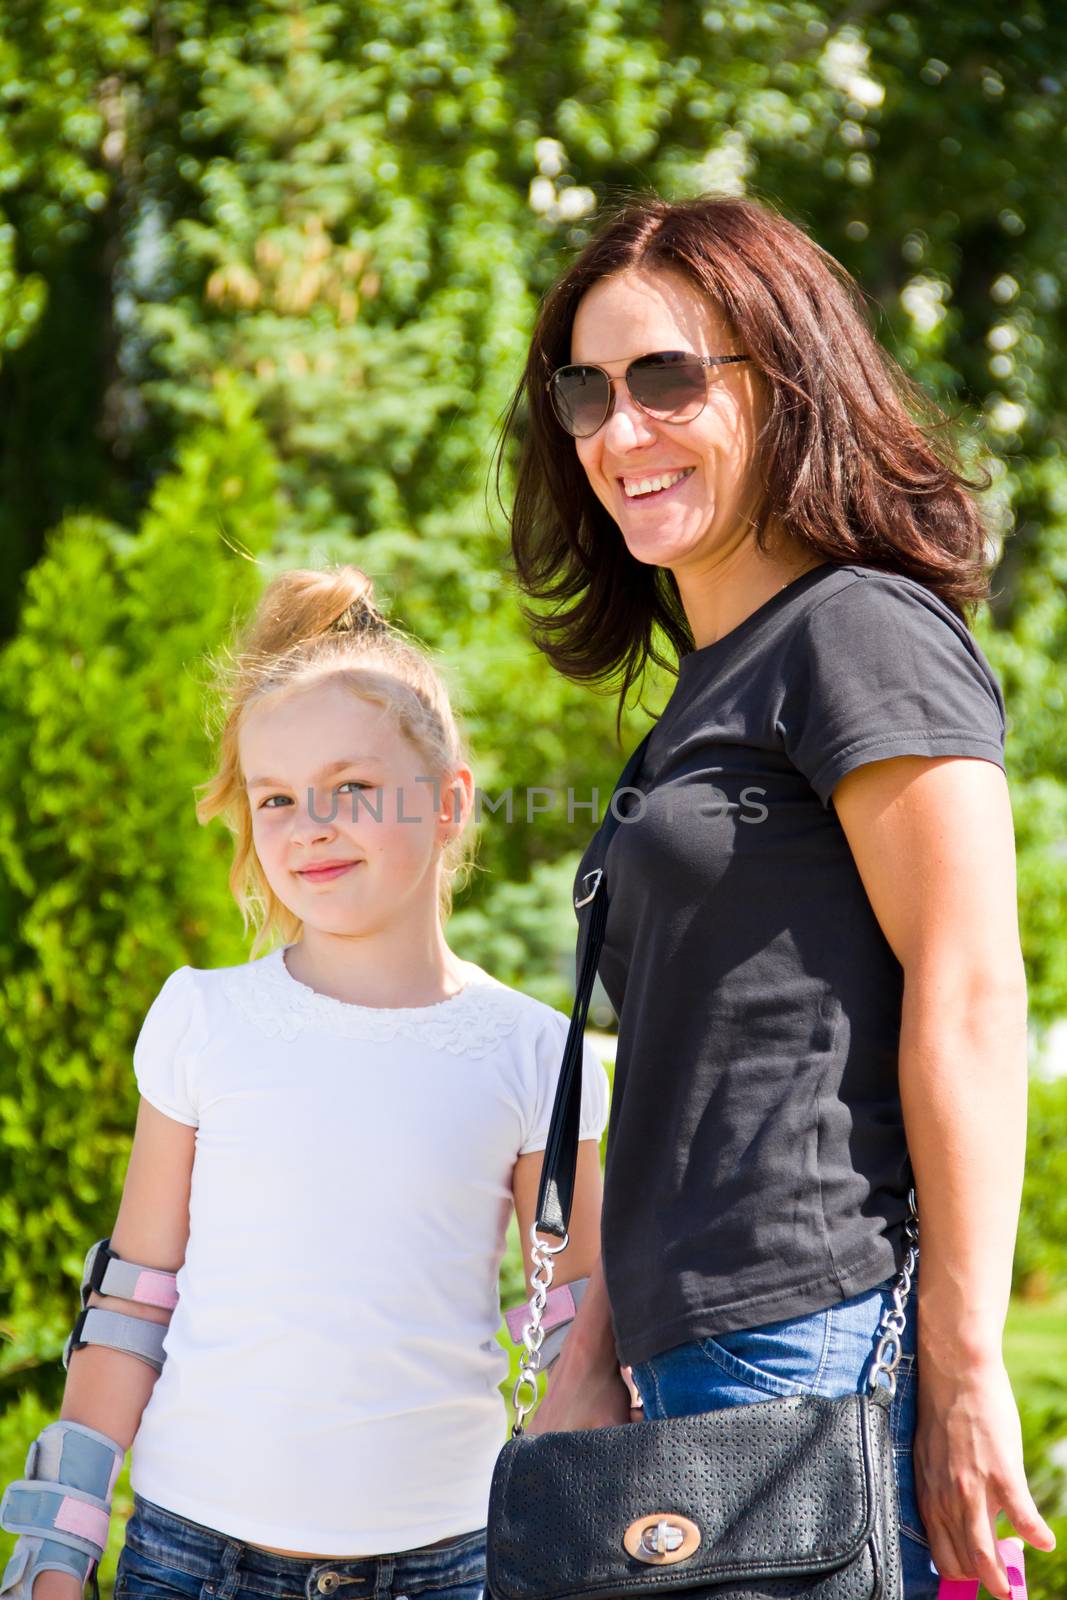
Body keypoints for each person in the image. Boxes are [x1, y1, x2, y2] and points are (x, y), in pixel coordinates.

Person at [498, 193, 1056, 1600]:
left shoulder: (855, 630)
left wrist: (962, 1365)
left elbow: (972, 992)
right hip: (693, 1353)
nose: (619, 432)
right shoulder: (706, 689)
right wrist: (587, 1355)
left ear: (784, 379)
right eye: (585, 389)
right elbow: (682, 1067)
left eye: (667, 378)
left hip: (813, 1337)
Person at [2, 567, 608, 1600]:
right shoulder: (205, 1019)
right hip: (193, 1560)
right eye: (276, 797)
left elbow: (581, 1330)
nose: (308, 825)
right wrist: (54, 1552)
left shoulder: (532, 1053)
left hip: (453, 1563)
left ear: (449, 801)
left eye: (352, 790)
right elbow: (132, 1302)